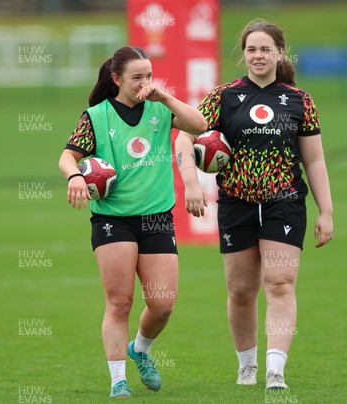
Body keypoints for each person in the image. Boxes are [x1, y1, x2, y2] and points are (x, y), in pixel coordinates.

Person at [175, 19, 333, 390]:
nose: (258, 55)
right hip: (236, 203)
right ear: (243, 54)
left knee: (279, 283)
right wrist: (191, 184)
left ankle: (275, 370)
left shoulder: (299, 100)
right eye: (251, 49)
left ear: (280, 52)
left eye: (266, 49)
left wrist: (327, 211)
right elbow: (184, 139)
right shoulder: (223, 96)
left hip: (285, 202)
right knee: (241, 289)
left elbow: (314, 161)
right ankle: (247, 366)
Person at [58, 46, 207, 399]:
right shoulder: (97, 116)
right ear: (117, 79)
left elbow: (199, 126)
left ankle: (139, 349)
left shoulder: (159, 109)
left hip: (157, 218)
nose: (144, 82)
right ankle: (117, 380)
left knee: (163, 304)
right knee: (120, 301)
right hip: (113, 220)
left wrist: (165, 95)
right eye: (137, 77)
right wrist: (75, 177)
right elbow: (68, 157)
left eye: (148, 75)